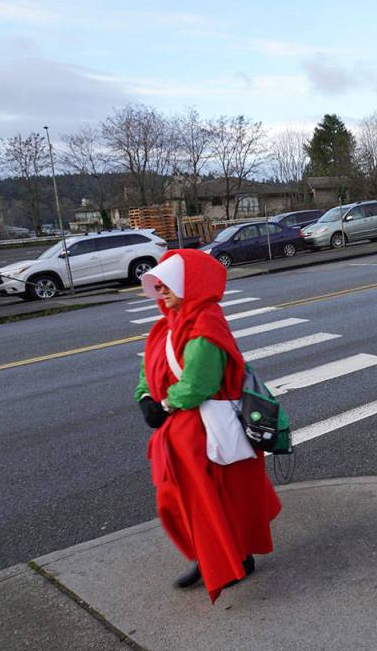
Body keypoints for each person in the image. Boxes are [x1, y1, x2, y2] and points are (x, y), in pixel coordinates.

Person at [135, 249, 281, 602]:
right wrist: (144, 398)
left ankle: (228, 559)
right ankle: (214, 556)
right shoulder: (167, 327)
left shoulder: (204, 327)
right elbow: (148, 371)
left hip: (205, 433)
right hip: (182, 433)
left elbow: (199, 383)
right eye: (160, 286)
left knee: (218, 498)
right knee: (195, 500)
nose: (162, 292)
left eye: (168, 285)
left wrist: (164, 404)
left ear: (190, 284)